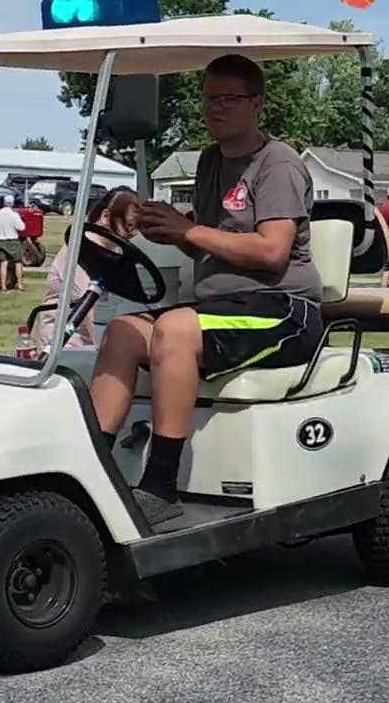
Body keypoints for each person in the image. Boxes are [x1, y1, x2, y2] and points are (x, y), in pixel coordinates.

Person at [88, 54, 324, 525]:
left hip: (284, 310)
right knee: (122, 332)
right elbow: (208, 242)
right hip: (224, 308)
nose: (216, 108)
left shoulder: (276, 163)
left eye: (229, 99)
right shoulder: (210, 161)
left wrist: (188, 230)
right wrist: (168, 230)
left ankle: (159, 485)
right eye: (209, 99)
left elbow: (271, 251)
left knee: (174, 328)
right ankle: (91, 471)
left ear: (257, 104)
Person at [37, 187, 140, 350]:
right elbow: (89, 310)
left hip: (89, 339)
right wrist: (113, 348)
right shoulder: (82, 252)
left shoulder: (109, 251)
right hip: (67, 343)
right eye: (129, 225)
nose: (133, 233)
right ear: (106, 216)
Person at [0, 193, 28, 291]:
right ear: (12, 203)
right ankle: (19, 284)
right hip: (12, 242)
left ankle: (3, 286)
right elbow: (22, 227)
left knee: (3, 263)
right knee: (18, 262)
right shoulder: (14, 215)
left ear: (4, 203)